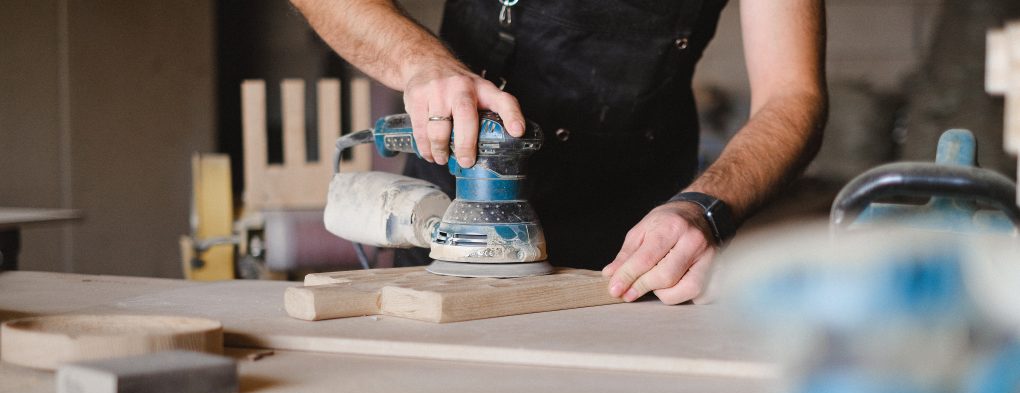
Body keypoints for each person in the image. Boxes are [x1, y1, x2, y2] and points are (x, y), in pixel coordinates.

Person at [291, 0, 827, 304]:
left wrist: (705, 206)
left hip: (641, 232)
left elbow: (793, 94)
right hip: (458, 212)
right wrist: (421, 65)